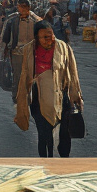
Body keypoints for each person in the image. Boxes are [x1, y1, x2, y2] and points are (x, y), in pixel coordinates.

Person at [14, 21, 83, 158]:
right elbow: (25, 74)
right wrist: (22, 100)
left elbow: (73, 72)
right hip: (39, 97)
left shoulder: (63, 47)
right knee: (43, 133)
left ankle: (64, 161)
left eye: (50, 35)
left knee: (65, 132)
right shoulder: (29, 49)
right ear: (36, 38)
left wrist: (75, 96)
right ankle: (45, 161)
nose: (49, 40)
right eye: (44, 37)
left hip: (61, 95)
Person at [0, 0, 43, 97]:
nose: (22, 9)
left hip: (31, 53)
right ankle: (16, 96)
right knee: (17, 75)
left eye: (25, 7)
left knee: (30, 76)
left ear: (29, 7)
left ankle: (28, 96)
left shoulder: (35, 21)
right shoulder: (13, 20)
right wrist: (4, 51)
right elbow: (6, 37)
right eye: (20, 6)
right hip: (16, 52)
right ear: (17, 7)